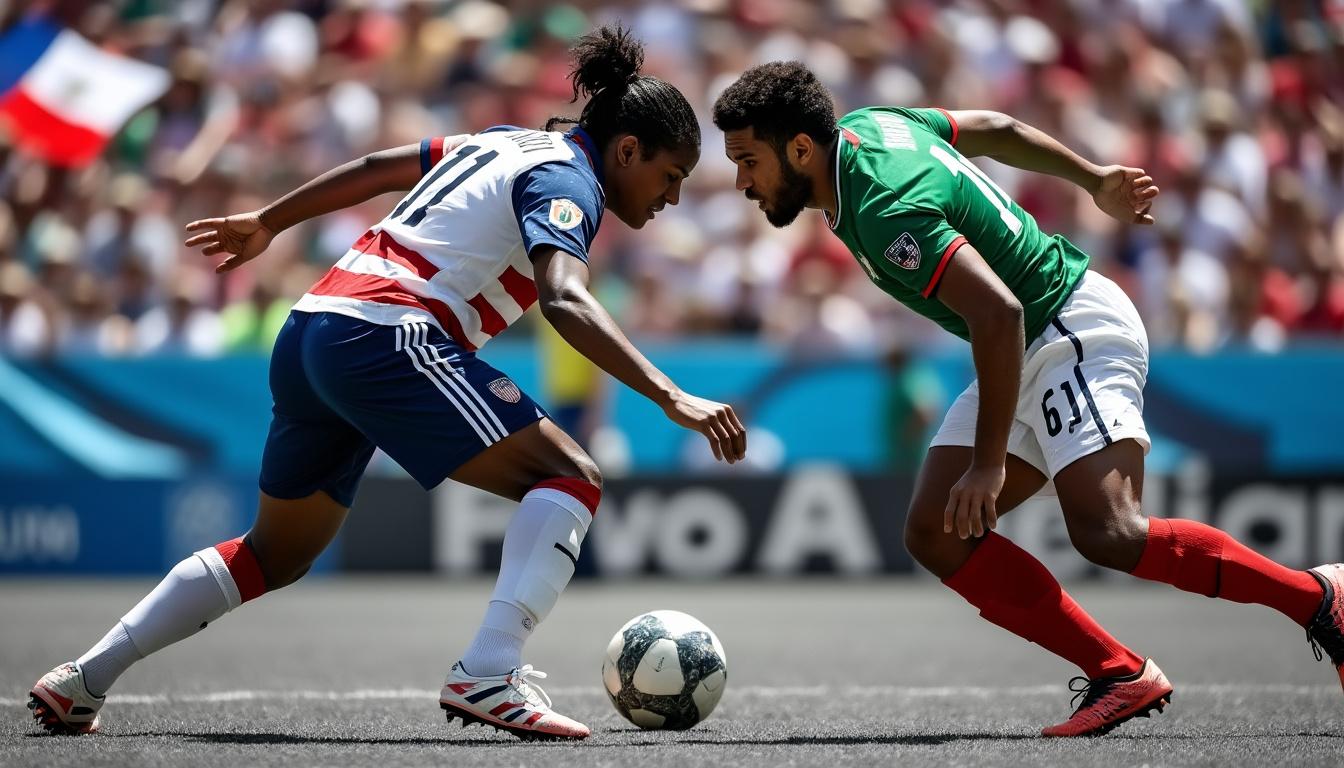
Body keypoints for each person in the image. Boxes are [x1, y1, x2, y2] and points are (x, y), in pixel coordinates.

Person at [28, 26, 746, 741]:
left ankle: (83, 679)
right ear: (627, 150)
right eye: (671, 176)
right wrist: (669, 394)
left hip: (312, 327)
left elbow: (377, 165)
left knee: (275, 554)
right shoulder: (570, 179)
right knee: (570, 475)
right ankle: (488, 673)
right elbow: (564, 297)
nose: (673, 199)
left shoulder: (503, 140)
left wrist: (270, 221)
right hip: (385, 335)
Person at [711, 61, 1344, 737]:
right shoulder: (871, 126)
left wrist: (987, 464)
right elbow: (994, 128)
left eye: (749, 162)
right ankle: (1118, 673)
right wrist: (1094, 177)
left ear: (801, 149)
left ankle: (1319, 599)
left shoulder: (880, 207)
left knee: (1110, 531)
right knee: (936, 531)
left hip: (1069, 327)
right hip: (1026, 341)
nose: (743, 182)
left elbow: (1000, 313)